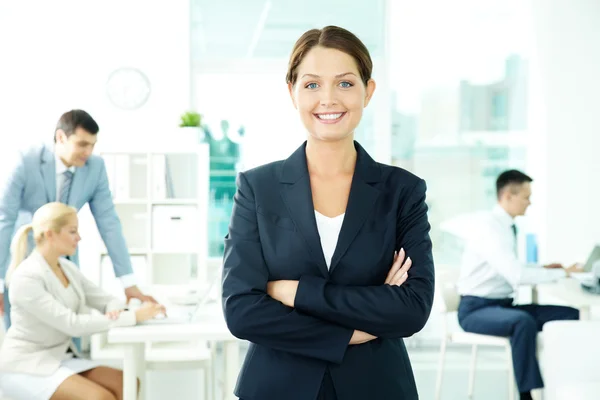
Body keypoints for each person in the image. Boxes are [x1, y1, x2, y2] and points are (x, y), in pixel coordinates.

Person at [221, 26, 435, 400]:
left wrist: (297, 292)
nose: (329, 99)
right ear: (292, 92)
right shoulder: (259, 188)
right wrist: (357, 326)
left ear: (368, 91)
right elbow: (242, 310)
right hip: (277, 387)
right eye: (312, 85)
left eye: (346, 84)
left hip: (377, 387)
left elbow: (412, 309)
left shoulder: (403, 191)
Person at [0, 109, 156, 328]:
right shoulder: (26, 160)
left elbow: (108, 222)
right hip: (23, 258)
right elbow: (4, 219)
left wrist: (128, 282)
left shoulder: (95, 167)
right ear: (61, 137)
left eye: (93, 145)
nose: (88, 151)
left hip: (65, 260)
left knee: (70, 329)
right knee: (26, 327)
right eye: (82, 144)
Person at [0, 202, 165, 400]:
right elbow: (72, 324)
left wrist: (116, 311)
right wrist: (132, 317)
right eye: (72, 231)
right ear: (50, 234)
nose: (79, 238)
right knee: (100, 397)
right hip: (27, 366)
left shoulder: (66, 268)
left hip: (60, 358)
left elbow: (106, 300)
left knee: (127, 383)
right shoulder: (26, 277)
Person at [456, 170, 580, 400]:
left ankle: (571, 383)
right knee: (523, 322)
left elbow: (512, 266)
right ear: (508, 196)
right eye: (526, 196)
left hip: (503, 306)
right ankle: (527, 395)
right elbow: (516, 274)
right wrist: (562, 273)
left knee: (572, 315)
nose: (530, 202)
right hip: (476, 310)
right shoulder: (490, 228)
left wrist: (547, 269)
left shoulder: (505, 227)